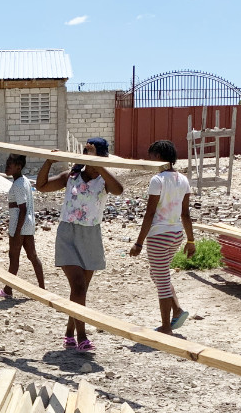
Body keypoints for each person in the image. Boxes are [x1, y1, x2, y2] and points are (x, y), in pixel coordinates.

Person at [35, 137, 123, 352]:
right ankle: (82, 337)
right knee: (78, 286)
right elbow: (41, 186)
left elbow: (119, 190)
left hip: (91, 236)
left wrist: (98, 164)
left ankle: (68, 333)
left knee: (79, 292)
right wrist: (49, 161)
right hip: (68, 235)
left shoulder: (104, 181)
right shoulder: (71, 177)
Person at [129, 140, 195, 333]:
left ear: (157, 157)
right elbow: (185, 213)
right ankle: (177, 310)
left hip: (159, 235)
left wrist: (138, 243)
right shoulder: (183, 179)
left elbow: (150, 213)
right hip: (176, 234)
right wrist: (190, 240)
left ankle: (166, 326)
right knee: (159, 274)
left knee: (162, 280)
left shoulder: (157, 180)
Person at [0, 153, 45, 298]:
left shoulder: (19, 184)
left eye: (11, 163)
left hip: (20, 226)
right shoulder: (24, 181)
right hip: (27, 225)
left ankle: (8, 290)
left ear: (19, 167)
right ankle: (42, 289)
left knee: (14, 257)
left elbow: (22, 209)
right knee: (32, 256)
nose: (7, 165)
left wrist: (16, 232)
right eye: (7, 162)